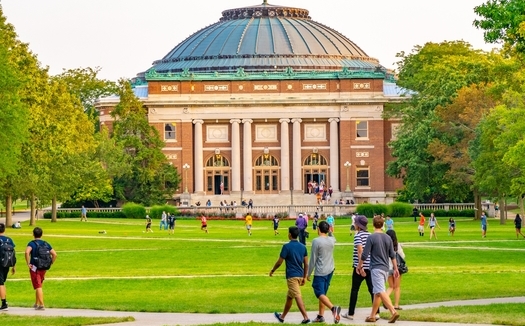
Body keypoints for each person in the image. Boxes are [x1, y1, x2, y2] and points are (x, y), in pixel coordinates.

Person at [357, 216, 399, 323]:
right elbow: (392, 255)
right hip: (385, 268)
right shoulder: (387, 238)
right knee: (377, 293)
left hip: (376, 268)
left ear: (373, 225)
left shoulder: (371, 237)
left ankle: (393, 311)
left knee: (380, 290)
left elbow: (365, 254)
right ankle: (372, 316)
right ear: (383, 225)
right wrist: (395, 268)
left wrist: (359, 265)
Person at [270, 226, 310, 324]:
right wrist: (305, 277)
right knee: (289, 296)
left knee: (297, 296)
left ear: (290, 235)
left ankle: (306, 317)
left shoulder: (286, 247)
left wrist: (273, 270)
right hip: (300, 275)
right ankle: (282, 317)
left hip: (292, 276)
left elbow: (280, 262)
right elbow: (306, 263)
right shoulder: (303, 247)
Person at [342, 215, 379, 321]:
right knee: (372, 289)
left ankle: (351, 313)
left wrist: (360, 266)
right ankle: (376, 312)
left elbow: (360, 251)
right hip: (370, 266)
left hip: (360, 267)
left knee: (354, 289)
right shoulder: (370, 235)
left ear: (358, 225)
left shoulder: (358, 236)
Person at [307, 221, 341, 324]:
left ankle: (333, 309)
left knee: (319, 293)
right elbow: (332, 237)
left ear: (318, 229)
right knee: (323, 293)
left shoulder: (316, 241)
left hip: (321, 271)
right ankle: (321, 316)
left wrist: (308, 273)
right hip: (330, 269)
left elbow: (313, 259)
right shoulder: (331, 240)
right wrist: (330, 232)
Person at [25, 227, 57, 310]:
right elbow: (54, 254)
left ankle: (42, 305)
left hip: (35, 267)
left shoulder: (31, 243)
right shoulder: (46, 244)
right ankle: (36, 303)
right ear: (41, 234)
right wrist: (50, 263)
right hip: (44, 267)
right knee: (39, 284)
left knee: (38, 286)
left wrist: (28, 263)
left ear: (33, 234)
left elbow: (27, 252)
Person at [385, 230, 404, 310]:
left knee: (391, 286)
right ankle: (396, 304)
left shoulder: (384, 245)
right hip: (397, 267)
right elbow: (402, 256)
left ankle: (384, 299)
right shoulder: (397, 245)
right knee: (397, 287)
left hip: (387, 267)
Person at [0, 223, 16, 311]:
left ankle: (4, 302)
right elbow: (13, 253)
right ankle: (4, 300)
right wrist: (14, 266)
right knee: (2, 282)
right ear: (4, 230)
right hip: (7, 263)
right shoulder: (9, 240)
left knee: (0, 283)